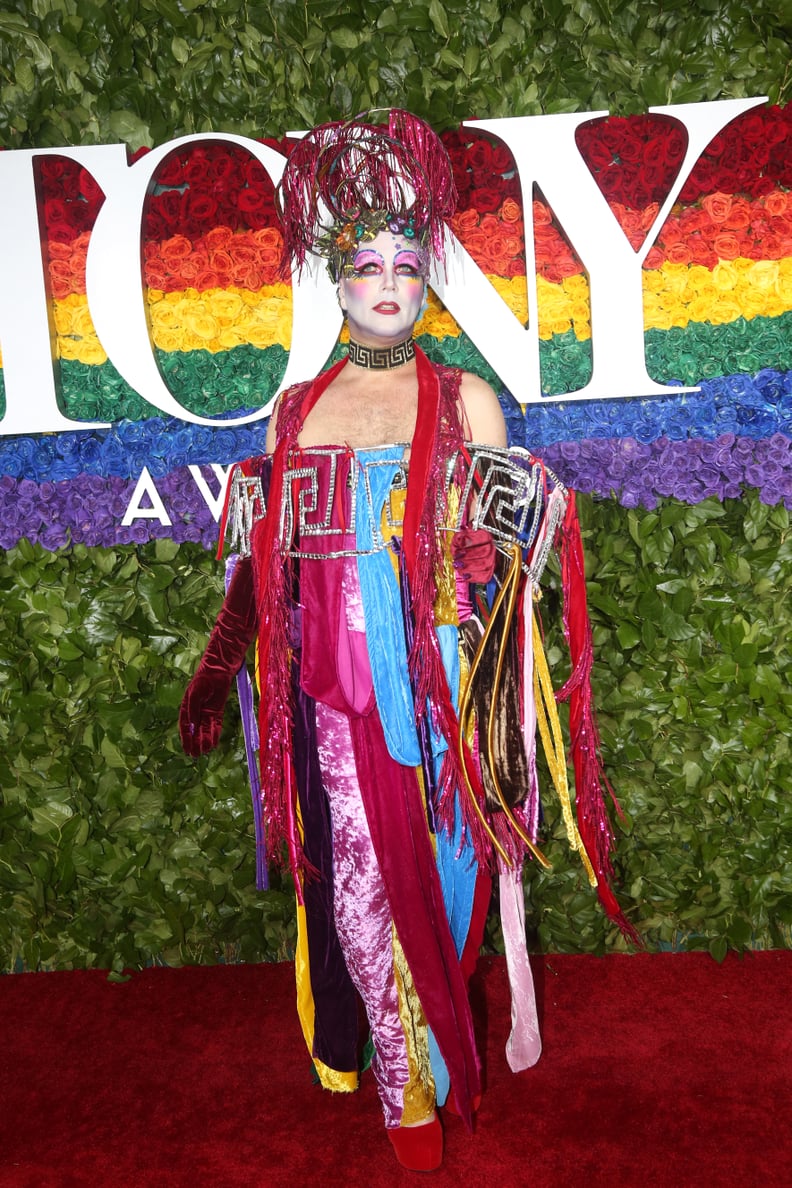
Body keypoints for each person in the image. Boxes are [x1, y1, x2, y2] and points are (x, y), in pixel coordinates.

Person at [179, 110, 634, 1172]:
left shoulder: (467, 397)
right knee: (358, 882)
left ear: (427, 275)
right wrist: (226, 663)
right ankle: (403, 1088)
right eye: (364, 264)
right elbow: (265, 575)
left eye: (405, 262)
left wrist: (498, 552)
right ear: (333, 282)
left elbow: (510, 565)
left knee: (456, 874)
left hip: (447, 686)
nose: (386, 281)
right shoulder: (293, 413)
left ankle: (437, 1035)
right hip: (335, 692)